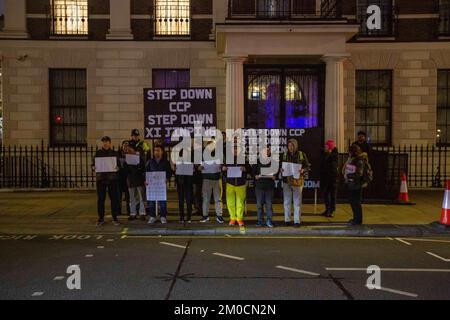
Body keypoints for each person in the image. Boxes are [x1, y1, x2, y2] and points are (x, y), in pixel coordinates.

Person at [281, 138, 310, 227]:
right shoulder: (284, 155)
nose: (290, 147)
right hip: (287, 180)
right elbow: (280, 166)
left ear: (295, 145)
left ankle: (297, 221)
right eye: (289, 146)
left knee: (297, 202)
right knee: (287, 201)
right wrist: (281, 169)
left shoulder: (301, 154)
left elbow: (307, 166)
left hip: (297, 181)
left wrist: (303, 170)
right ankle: (287, 220)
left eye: (292, 145)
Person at [92, 136, 120, 227]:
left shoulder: (114, 153)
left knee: (114, 199)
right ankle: (101, 218)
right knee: (101, 199)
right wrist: (93, 167)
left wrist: (117, 168)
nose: (105, 143)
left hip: (112, 179)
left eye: (106, 141)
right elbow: (93, 164)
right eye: (103, 141)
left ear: (110, 143)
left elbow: (119, 165)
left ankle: (115, 217)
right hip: (101, 179)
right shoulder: (98, 153)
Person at [223, 143, 249, 227]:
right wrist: (223, 169)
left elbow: (249, 169)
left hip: (241, 184)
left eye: (236, 149)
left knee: (240, 203)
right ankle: (232, 218)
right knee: (230, 202)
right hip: (230, 184)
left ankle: (239, 219)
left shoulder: (244, 159)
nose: (235, 151)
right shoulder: (228, 160)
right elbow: (222, 169)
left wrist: (245, 169)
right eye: (233, 149)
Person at [198, 141, 224, 224]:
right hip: (207, 179)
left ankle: (219, 215)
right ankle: (205, 216)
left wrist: (221, 166)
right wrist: (200, 168)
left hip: (216, 179)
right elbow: (199, 166)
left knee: (218, 199)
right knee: (206, 199)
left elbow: (223, 166)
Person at [146, 145, 172, 224]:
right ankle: (152, 216)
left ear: (162, 152)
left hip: (161, 185)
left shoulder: (165, 162)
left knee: (162, 200)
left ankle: (163, 216)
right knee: (151, 201)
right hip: (152, 185)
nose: (156, 152)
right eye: (155, 150)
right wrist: (146, 180)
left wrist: (167, 178)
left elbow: (169, 172)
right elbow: (145, 172)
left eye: (158, 150)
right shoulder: (150, 161)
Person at [343, 144, 368, 226]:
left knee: (356, 203)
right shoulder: (352, 159)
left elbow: (359, 174)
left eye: (349, 151)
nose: (348, 153)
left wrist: (349, 176)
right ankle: (355, 218)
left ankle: (358, 220)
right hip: (351, 184)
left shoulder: (359, 160)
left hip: (356, 185)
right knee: (353, 202)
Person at [252, 147, 277, 228]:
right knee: (259, 205)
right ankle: (260, 221)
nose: (265, 152)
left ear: (269, 152)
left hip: (269, 187)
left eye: (267, 151)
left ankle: (269, 220)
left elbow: (276, 171)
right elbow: (253, 172)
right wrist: (255, 176)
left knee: (269, 206)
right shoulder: (257, 161)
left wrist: (274, 176)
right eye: (264, 151)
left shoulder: (273, 161)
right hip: (259, 186)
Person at [123, 143, 146, 221]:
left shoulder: (139, 157)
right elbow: (124, 170)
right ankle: (133, 213)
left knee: (141, 197)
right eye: (128, 149)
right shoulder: (126, 158)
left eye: (130, 149)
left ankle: (142, 213)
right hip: (131, 180)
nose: (129, 150)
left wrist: (139, 167)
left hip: (139, 179)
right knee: (132, 198)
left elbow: (143, 168)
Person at [172, 151, 195, 224]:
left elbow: (194, 172)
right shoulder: (178, 161)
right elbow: (175, 173)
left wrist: (193, 170)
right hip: (180, 183)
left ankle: (189, 217)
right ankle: (181, 217)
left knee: (189, 201)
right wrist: (174, 169)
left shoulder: (191, 161)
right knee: (181, 201)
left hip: (188, 183)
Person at [320, 139, 339, 218]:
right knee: (326, 194)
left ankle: (331, 210)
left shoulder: (333, 156)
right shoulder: (326, 154)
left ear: (330, 147)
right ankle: (327, 209)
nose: (325, 147)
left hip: (332, 179)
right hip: (327, 178)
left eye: (326, 146)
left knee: (332, 195)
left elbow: (333, 169)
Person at [118, 141, 131, 216]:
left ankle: (129, 211)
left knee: (128, 196)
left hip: (128, 177)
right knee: (118, 196)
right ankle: (118, 211)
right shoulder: (118, 154)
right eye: (124, 145)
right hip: (119, 177)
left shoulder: (130, 154)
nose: (126, 147)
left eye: (127, 146)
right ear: (122, 146)